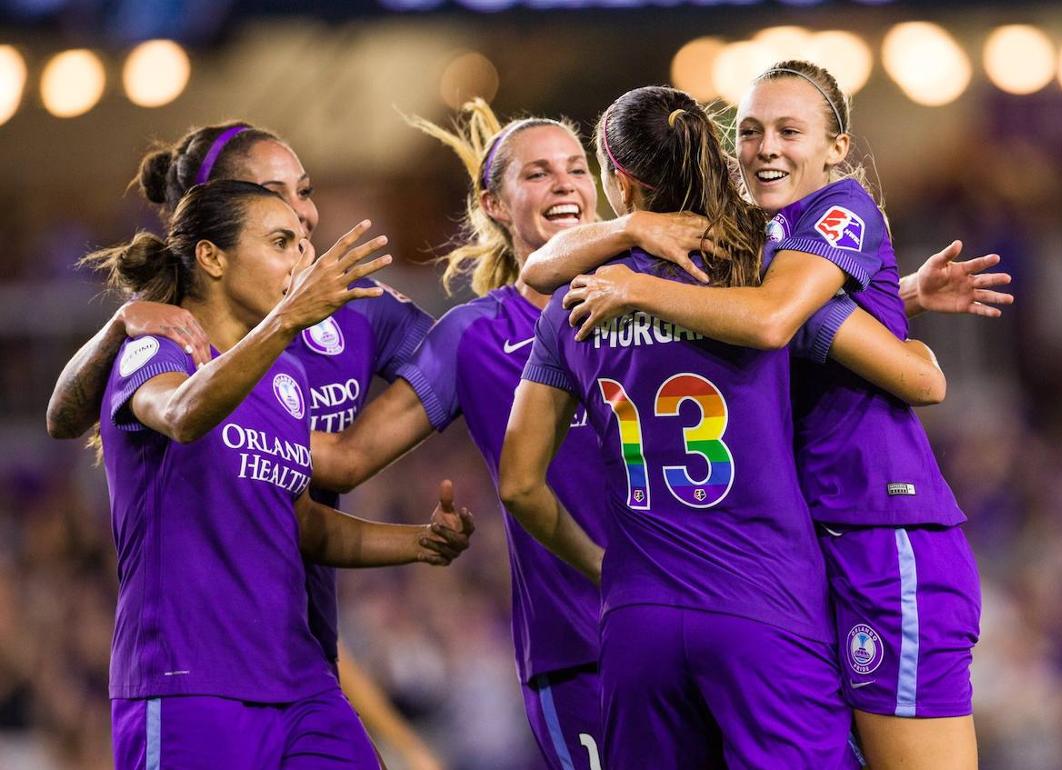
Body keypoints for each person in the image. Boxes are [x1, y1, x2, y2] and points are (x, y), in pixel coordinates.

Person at [517, 61, 986, 770]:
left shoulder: (825, 223)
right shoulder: (756, 254)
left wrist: (636, 288)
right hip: (802, 556)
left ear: (837, 146)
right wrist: (899, 302)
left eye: (790, 131)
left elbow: (912, 373)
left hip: (882, 531)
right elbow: (795, 319)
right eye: (751, 130)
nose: (766, 147)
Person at [44, 123, 443, 769]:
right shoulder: (156, 347)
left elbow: (302, 521)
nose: (299, 259)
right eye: (281, 243)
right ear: (211, 257)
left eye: (301, 242)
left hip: (299, 682)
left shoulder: (286, 374)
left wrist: (419, 542)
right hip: (189, 681)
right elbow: (180, 413)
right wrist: (286, 320)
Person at [309, 101, 612, 770]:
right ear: (494, 204)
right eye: (537, 173)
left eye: (575, 168)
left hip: (701, 623)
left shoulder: (657, 297)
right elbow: (347, 459)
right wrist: (223, 406)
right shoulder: (473, 337)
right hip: (581, 651)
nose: (564, 184)